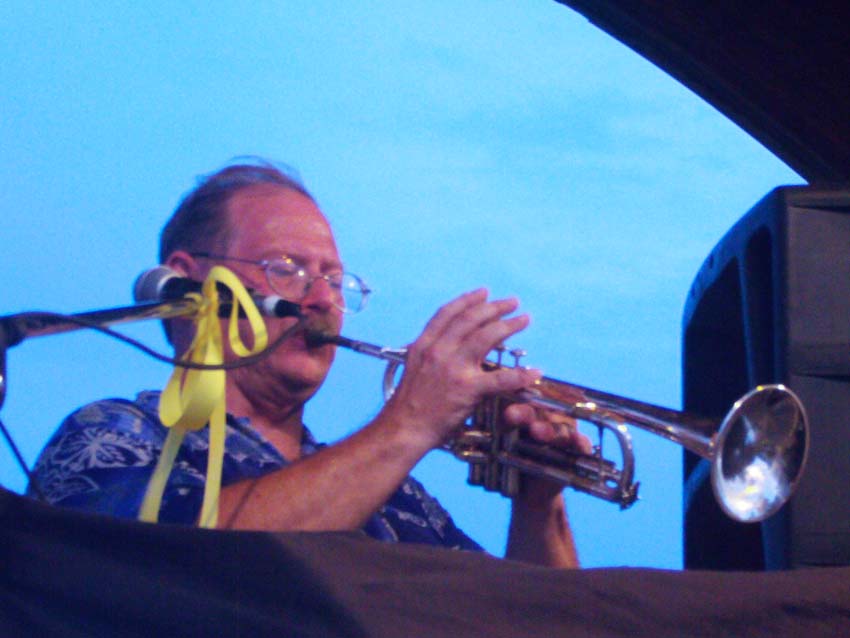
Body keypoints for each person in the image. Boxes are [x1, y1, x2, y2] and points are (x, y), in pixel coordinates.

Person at [28, 159, 590, 568]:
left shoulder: (401, 498)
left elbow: (526, 618)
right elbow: (165, 567)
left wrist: (540, 502)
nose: (323, 300)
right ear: (188, 280)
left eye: (335, 280)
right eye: (287, 269)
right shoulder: (113, 433)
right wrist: (411, 422)